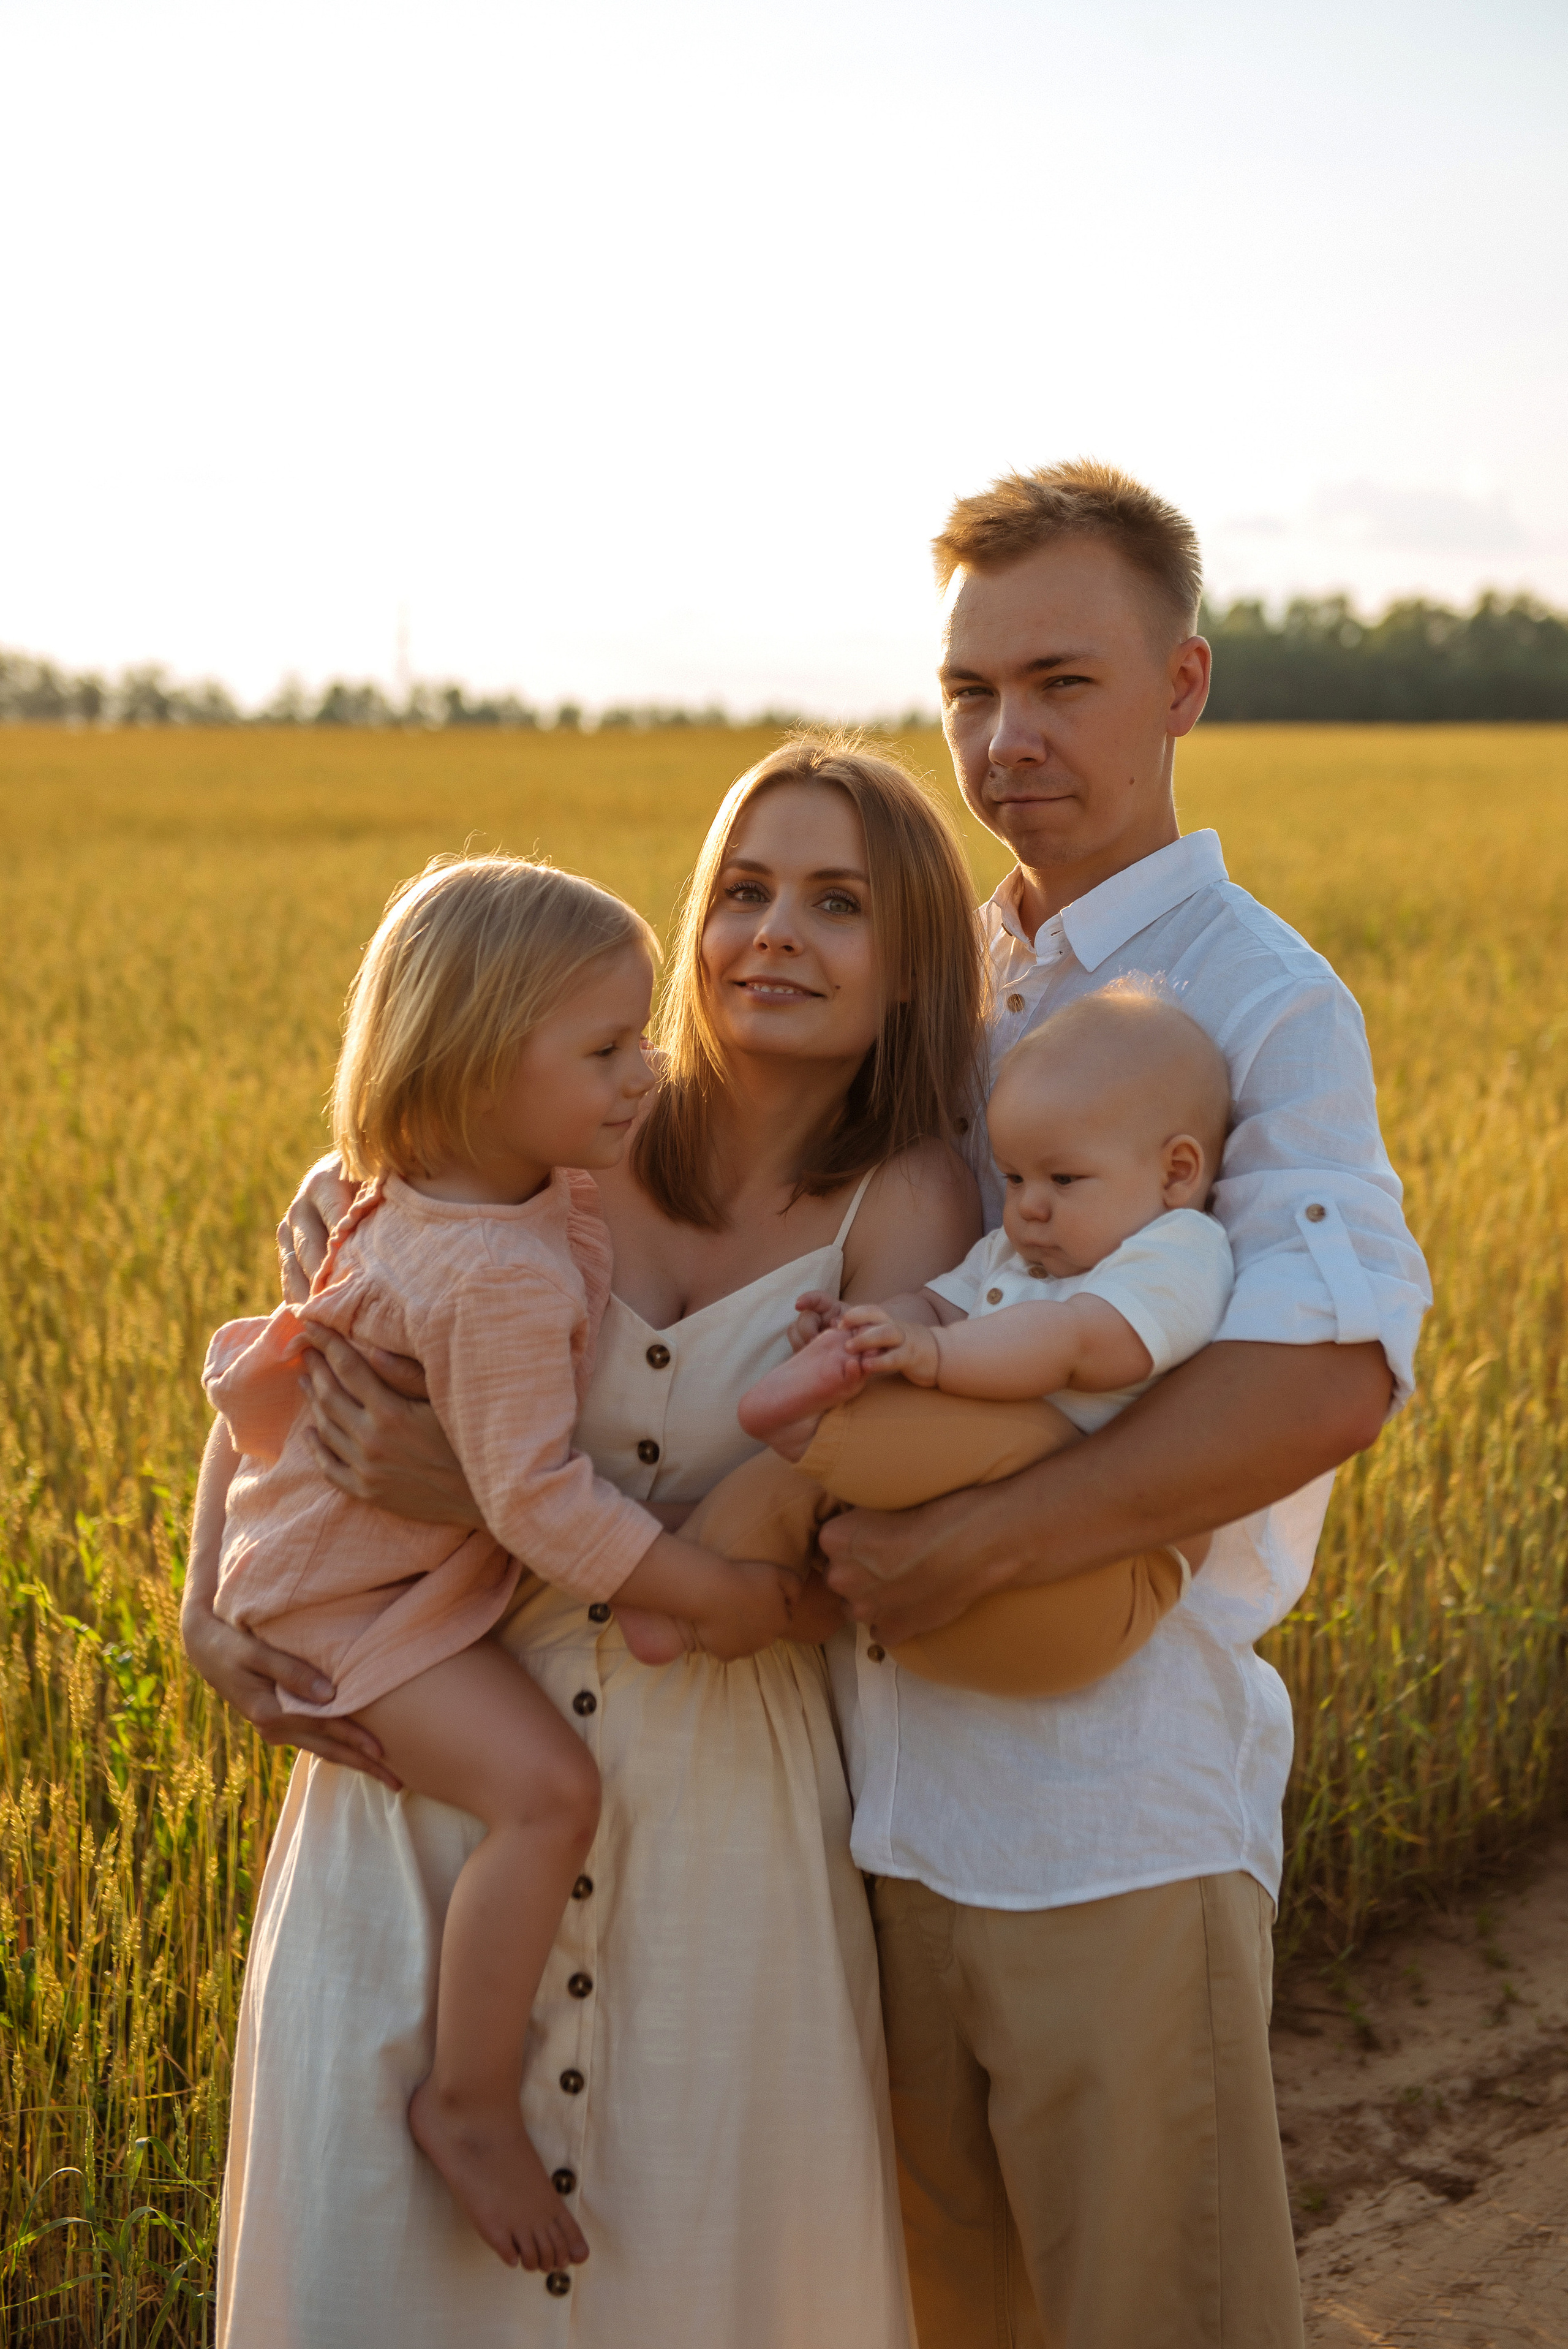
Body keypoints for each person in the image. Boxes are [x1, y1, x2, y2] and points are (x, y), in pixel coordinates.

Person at [183, 737, 1030, 2348]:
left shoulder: (915, 1210)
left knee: (700, 2271)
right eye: (744, 889)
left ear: (918, 958)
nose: (772, 931)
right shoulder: (531, 1132)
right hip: (424, 1787)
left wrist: (487, 1504)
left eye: (837, 902)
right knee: (384, 2280)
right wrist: (199, 1604)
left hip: (722, 1832)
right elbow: (292, 1363)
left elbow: (838, 1568)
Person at [809, 462, 1431, 2347]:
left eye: (1061, 684)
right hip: (872, 1812)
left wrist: (972, 1545)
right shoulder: (919, 970)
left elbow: (1330, 1369)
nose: (1004, 740)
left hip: (1110, 1818)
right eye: (969, 694)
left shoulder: (1261, 1004)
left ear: (1182, 684)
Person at [195, 855, 815, 2277]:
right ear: (477, 1071)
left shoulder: (481, 1196)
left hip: (341, 1567)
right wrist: (704, 1589)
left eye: (642, 1035)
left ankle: (468, 2091)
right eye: (603, 1048)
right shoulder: (498, 1269)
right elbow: (537, 1503)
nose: (643, 1071)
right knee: (547, 1795)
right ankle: (468, 2098)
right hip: (342, 1605)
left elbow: (267, 1353)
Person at [710, 982, 1233, 1698]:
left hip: (1099, 1578)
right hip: (937, 1605)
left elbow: (1077, 1344)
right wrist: (868, 1328)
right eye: (1012, 1178)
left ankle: (806, 1422)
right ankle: (694, 1594)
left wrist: (933, 1357)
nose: (1028, 1207)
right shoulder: (1013, 1258)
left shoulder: (1177, 1250)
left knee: (965, 1424)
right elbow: (934, 1303)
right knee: (782, 1486)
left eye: (1063, 1178)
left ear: (1176, 1173)